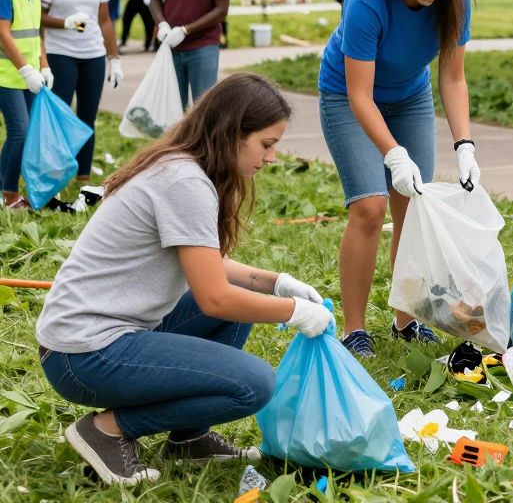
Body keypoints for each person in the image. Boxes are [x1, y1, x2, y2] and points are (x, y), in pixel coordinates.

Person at [35, 74, 333, 487]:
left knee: (244, 296)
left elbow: (207, 262)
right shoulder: (185, 182)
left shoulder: (182, 168)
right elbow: (214, 298)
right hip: (84, 354)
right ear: (233, 134)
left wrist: (275, 282)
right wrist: (294, 311)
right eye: (266, 144)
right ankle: (108, 429)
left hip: (95, 338)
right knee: (254, 384)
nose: (271, 157)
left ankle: (189, 438)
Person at [317, 0, 478, 358]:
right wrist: (393, 154)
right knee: (370, 207)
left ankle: (405, 320)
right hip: (348, 98)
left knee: (413, 207)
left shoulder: (457, 0)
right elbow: (359, 94)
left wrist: (464, 144)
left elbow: (452, 77)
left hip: (410, 97)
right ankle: (353, 329)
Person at [40, 0, 123, 182]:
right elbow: (37, 15)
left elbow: (104, 19)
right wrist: (65, 23)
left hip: (92, 54)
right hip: (60, 52)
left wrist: (114, 57)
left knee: (87, 120)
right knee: (61, 119)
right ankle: (56, 175)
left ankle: (82, 178)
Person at [0, 0, 54, 209]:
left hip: (29, 71)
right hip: (7, 73)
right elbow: (3, 31)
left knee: (28, 132)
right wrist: (25, 69)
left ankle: (10, 188)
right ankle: (9, 195)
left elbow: (35, 29)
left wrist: (44, 64)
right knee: (19, 131)